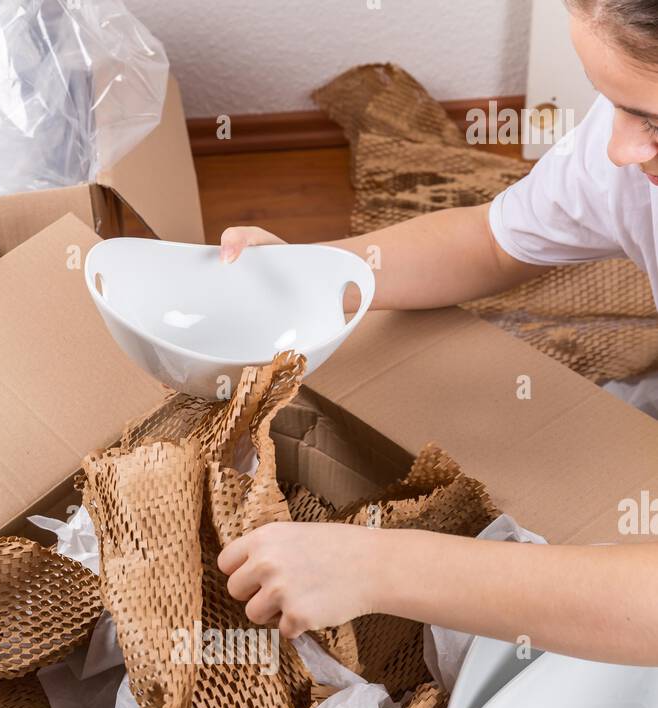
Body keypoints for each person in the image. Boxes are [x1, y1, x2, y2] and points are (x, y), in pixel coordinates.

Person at [217, 0, 658, 664]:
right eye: (611, 103)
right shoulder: (627, 156)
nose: (619, 148)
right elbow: (492, 242)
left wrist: (378, 569)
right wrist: (321, 275)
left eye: (651, 120)